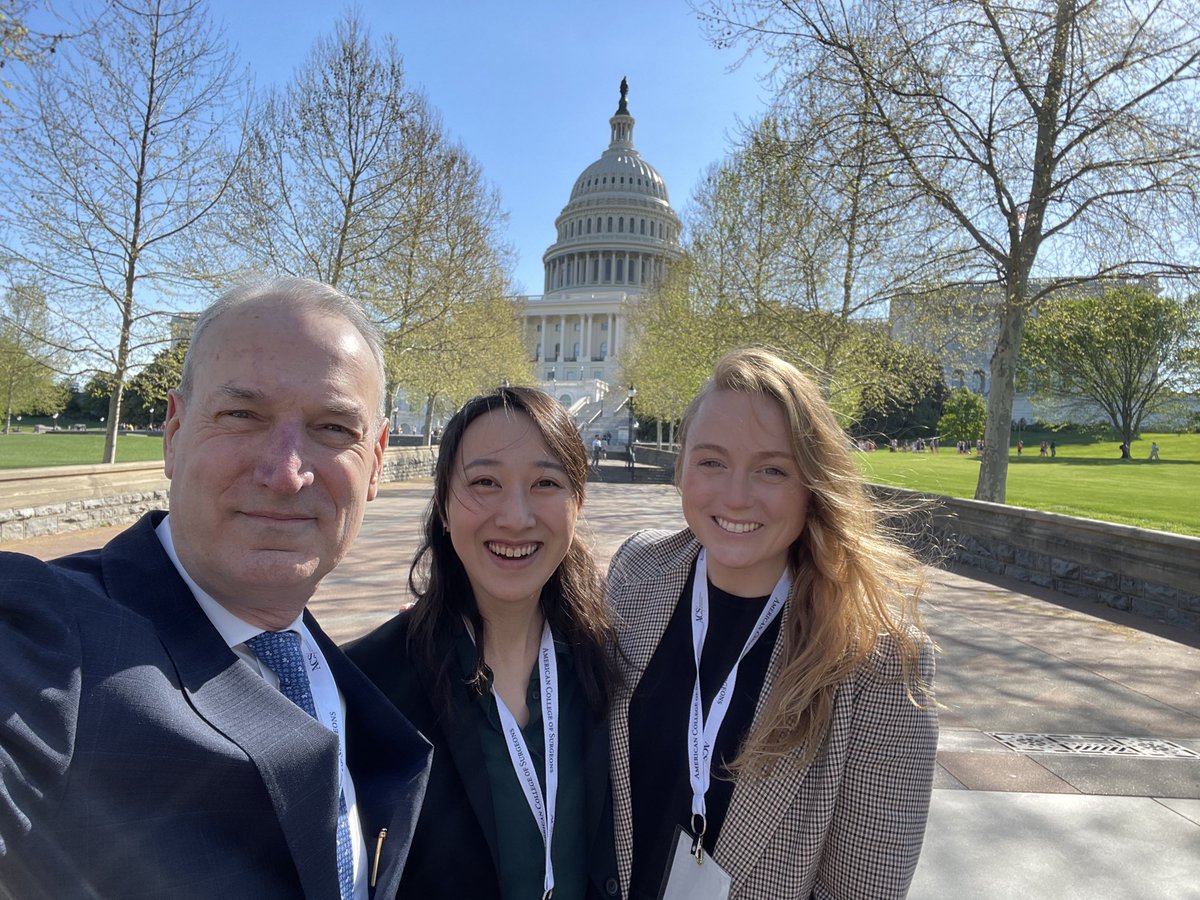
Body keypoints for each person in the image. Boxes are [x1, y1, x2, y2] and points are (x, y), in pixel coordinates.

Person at [0, 278, 432, 900]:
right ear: (174, 434)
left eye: (334, 427)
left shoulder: (325, 667)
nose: (286, 473)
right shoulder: (46, 636)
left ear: (377, 459)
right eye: (242, 415)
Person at [608, 348, 937, 899]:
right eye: (711, 461)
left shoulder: (880, 662)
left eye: (772, 469)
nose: (736, 496)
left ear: (813, 483)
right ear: (681, 466)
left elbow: (863, 890)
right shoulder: (636, 572)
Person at [347, 387, 619, 899]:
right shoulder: (369, 686)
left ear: (577, 503)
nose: (515, 516)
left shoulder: (610, 661)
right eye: (485, 482)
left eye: (545, 483)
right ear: (445, 507)